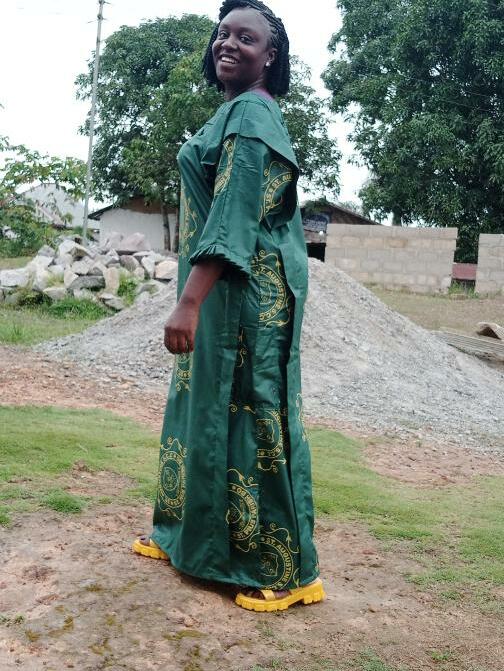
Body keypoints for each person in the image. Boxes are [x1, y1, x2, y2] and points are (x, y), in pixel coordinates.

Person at [133, 0, 325, 613]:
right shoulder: (231, 112)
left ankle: (288, 572)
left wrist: (189, 300)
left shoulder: (252, 113)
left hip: (247, 294)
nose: (229, 43)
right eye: (223, 34)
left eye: (247, 37)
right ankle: (187, 538)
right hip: (222, 291)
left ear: (270, 56)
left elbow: (236, 210)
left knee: (256, 416)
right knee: (201, 406)